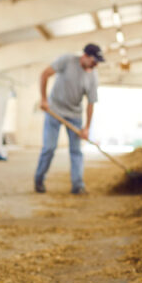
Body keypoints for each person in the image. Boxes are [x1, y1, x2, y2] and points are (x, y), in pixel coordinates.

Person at [34, 43, 103, 194]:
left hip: (75, 115)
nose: (95, 65)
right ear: (85, 56)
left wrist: (86, 128)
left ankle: (78, 186)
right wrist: (44, 99)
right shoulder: (67, 61)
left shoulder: (93, 76)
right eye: (93, 61)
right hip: (54, 110)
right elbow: (44, 74)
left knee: (76, 151)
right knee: (49, 148)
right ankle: (39, 180)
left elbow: (91, 103)